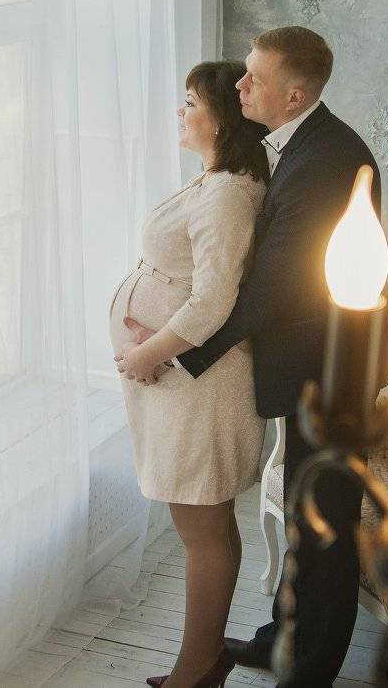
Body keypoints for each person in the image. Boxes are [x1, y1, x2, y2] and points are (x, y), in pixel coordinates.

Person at [120, 25, 388, 688]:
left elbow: (273, 286)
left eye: (255, 78)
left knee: (323, 525)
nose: (240, 85)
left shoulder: (326, 160)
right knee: (304, 515)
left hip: (331, 369)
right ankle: (283, 638)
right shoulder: (299, 144)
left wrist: (182, 354)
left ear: (293, 95)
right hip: (313, 362)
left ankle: (308, 672)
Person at [109, 60, 271, 688]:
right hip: (181, 379)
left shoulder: (228, 196)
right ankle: (204, 659)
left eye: (192, 103)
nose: (181, 112)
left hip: (200, 387)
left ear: (222, 120)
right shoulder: (216, 181)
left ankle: (198, 667)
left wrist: (151, 353)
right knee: (205, 524)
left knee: (202, 527)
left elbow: (212, 302)